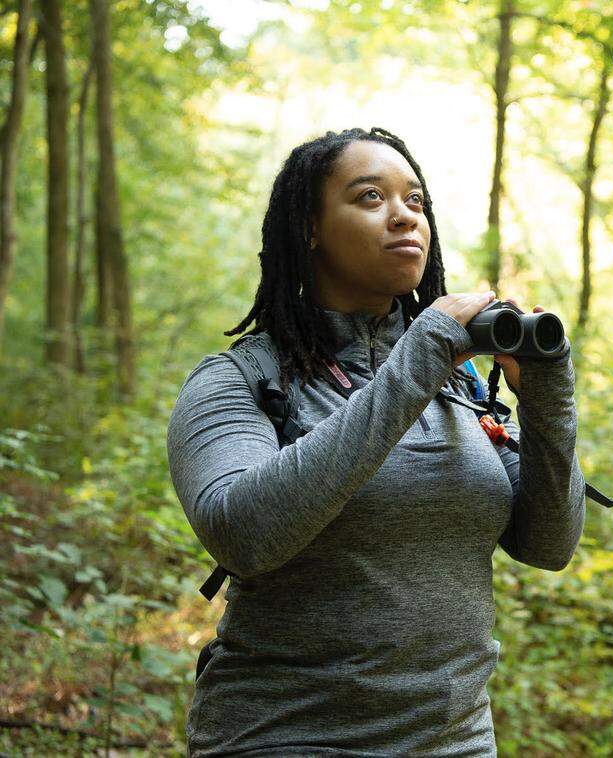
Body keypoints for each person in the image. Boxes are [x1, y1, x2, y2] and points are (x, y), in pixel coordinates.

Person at [166, 126, 586, 756]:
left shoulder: (459, 384)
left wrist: (548, 398)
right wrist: (422, 354)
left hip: (455, 742)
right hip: (284, 737)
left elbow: (549, 544)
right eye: (370, 198)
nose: (403, 217)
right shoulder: (241, 380)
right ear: (309, 227)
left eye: (415, 201)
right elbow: (243, 534)